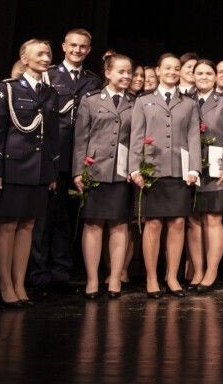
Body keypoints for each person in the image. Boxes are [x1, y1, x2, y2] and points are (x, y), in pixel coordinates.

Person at [0, 39, 60, 307]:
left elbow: (51, 136)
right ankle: (6, 285)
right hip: (13, 165)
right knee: (8, 225)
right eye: (39, 53)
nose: (45, 57)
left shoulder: (51, 93)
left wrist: (51, 171)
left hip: (39, 167)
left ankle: (19, 283)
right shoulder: (7, 89)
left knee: (28, 225)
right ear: (24, 58)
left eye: (48, 53)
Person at [31, 28, 102, 294]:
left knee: (67, 219)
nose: (77, 50)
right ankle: (39, 276)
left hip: (79, 158)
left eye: (83, 46)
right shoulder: (48, 75)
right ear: (63, 46)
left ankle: (61, 274)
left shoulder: (93, 82)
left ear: (89, 49)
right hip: (51, 156)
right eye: (73, 45)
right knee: (43, 218)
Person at [128, 53, 201, 299]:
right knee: (154, 224)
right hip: (152, 172)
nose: (172, 71)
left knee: (178, 223)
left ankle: (172, 276)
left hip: (178, 172)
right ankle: (151, 277)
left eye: (176, 67)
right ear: (158, 71)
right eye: (167, 67)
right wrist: (135, 168)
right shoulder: (144, 101)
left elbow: (193, 137)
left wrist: (194, 168)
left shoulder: (189, 103)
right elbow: (136, 137)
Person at [72, 54, 136, 299]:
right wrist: (79, 170)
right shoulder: (90, 101)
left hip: (121, 173)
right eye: (121, 71)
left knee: (119, 225)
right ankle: (92, 281)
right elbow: (80, 139)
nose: (126, 76)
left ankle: (115, 279)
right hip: (95, 170)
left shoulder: (135, 102)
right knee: (93, 224)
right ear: (108, 73)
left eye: (129, 71)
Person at [186, 59, 223, 293]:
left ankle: (211, 272)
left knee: (213, 219)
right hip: (190, 168)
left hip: (218, 169)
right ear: (193, 75)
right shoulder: (184, 100)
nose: (205, 77)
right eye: (200, 73)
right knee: (194, 220)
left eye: (209, 73)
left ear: (216, 76)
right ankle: (197, 271)